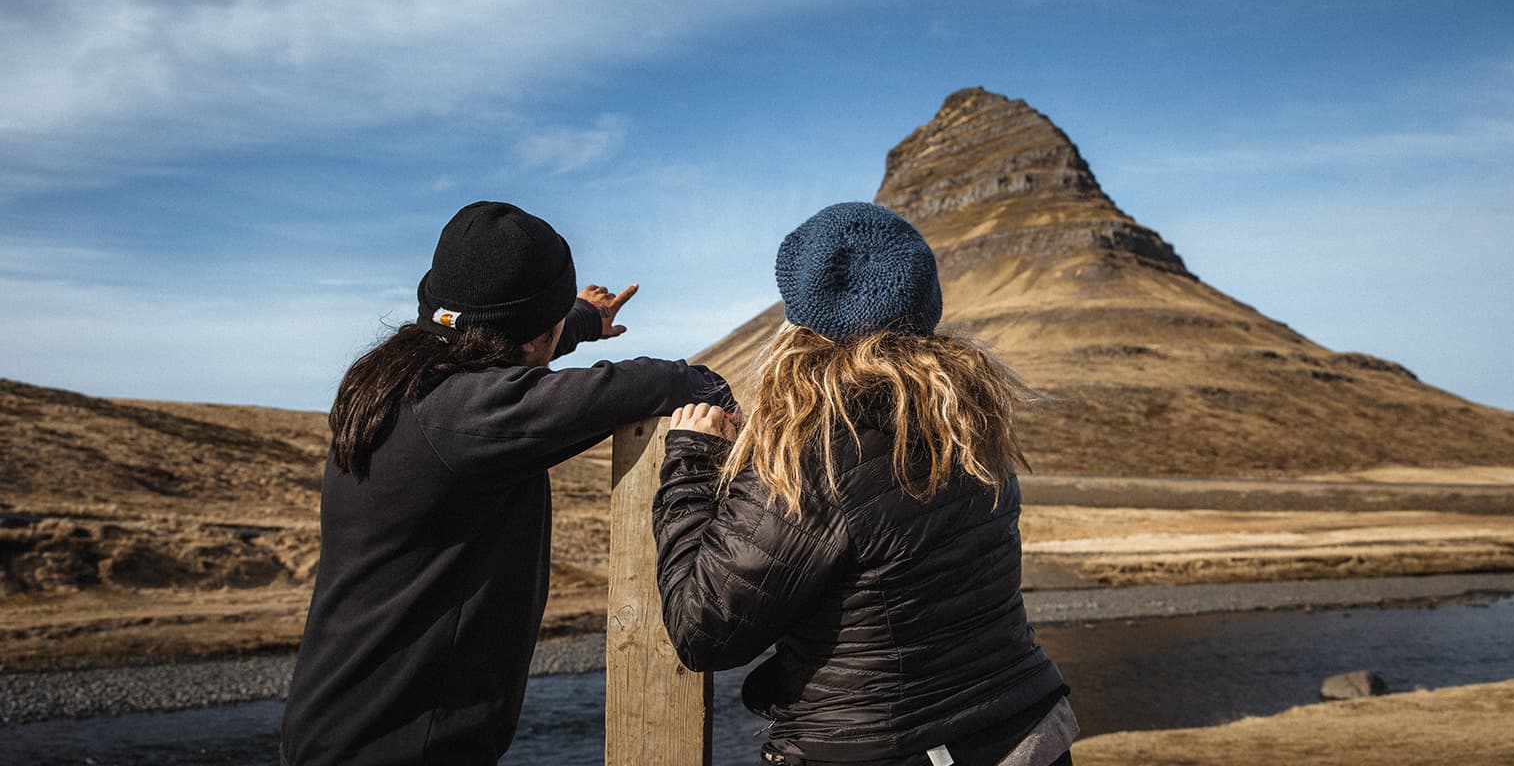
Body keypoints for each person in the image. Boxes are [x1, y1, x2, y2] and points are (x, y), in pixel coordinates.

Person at [281, 200, 727, 766]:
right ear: (537, 334)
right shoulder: (466, 417)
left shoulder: (399, 380)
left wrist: (580, 321)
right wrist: (702, 384)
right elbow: (631, 387)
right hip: (403, 748)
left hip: (337, 728)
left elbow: (495, 347)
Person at [654, 201, 1076, 766]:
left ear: (801, 316)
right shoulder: (970, 421)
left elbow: (702, 628)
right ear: (924, 304)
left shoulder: (817, 453)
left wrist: (692, 463)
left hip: (903, 751)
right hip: (1027, 731)